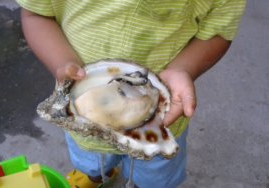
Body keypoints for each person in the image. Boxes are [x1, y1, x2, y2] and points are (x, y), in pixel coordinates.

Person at [16, 0, 245, 187]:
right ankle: (94, 177)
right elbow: (36, 14)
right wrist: (63, 62)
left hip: (162, 120)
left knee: (153, 177)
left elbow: (218, 31)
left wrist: (183, 68)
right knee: (91, 162)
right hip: (84, 115)